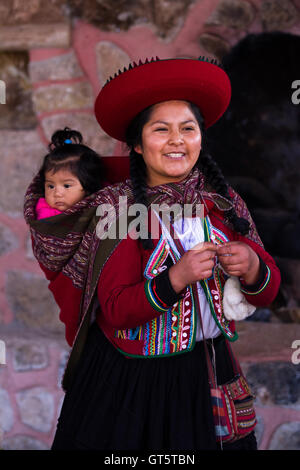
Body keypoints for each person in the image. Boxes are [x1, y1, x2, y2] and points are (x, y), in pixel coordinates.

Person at [25, 57, 281, 451]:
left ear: (200, 139)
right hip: (132, 381)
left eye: (188, 129)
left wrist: (251, 267)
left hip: (212, 371)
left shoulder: (223, 203)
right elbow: (116, 310)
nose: (177, 139)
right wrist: (175, 278)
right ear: (139, 145)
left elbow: (266, 292)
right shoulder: (118, 209)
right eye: (161, 130)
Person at [34, 127, 105, 219]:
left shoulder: (101, 202)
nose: (57, 194)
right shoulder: (47, 216)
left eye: (66, 186)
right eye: (51, 186)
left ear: (88, 185)